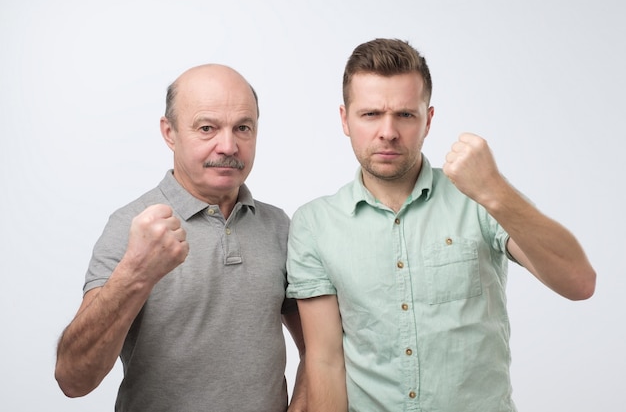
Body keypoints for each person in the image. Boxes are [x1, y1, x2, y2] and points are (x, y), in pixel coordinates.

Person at [286, 38, 596, 412]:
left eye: (405, 114)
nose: (388, 131)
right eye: (370, 114)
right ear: (344, 119)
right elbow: (325, 361)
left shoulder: (480, 199)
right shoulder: (315, 225)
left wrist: (495, 191)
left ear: (428, 120)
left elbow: (579, 282)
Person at [55, 64, 306, 412]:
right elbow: (72, 379)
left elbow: (318, 350)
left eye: (243, 128)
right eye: (207, 128)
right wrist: (137, 273)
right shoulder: (130, 225)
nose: (229, 145)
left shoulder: (279, 225)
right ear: (169, 132)